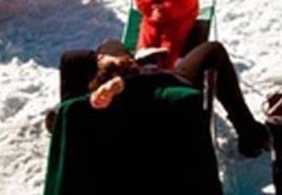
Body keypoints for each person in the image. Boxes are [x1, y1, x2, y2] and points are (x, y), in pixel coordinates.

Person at [59, 36, 269, 157]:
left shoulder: (76, 115)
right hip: (157, 99)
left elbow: (69, 59)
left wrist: (107, 63)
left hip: (115, 102)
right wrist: (122, 74)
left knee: (111, 44)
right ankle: (250, 132)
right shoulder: (161, 91)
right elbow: (159, 88)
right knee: (213, 50)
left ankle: (115, 59)